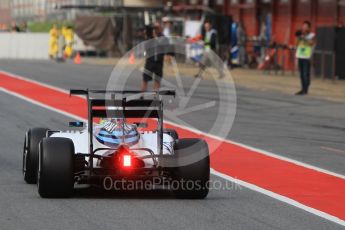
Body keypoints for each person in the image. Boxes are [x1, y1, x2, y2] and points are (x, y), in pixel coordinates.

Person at [141, 24, 168, 93]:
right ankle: (141, 95)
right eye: (154, 28)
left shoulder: (163, 38)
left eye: (157, 28)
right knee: (145, 79)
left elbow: (163, 46)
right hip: (150, 61)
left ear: (160, 29)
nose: (155, 30)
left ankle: (155, 97)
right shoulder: (149, 37)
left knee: (157, 80)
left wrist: (156, 37)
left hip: (159, 62)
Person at [295, 20, 315, 95]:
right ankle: (302, 88)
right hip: (300, 55)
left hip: (307, 56)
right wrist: (298, 38)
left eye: (306, 26)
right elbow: (297, 44)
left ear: (309, 28)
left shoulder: (312, 35)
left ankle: (306, 89)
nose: (304, 28)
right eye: (303, 26)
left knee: (305, 73)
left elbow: (311, 43)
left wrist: (304, 38)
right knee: (301, 73)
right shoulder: (300, 35)